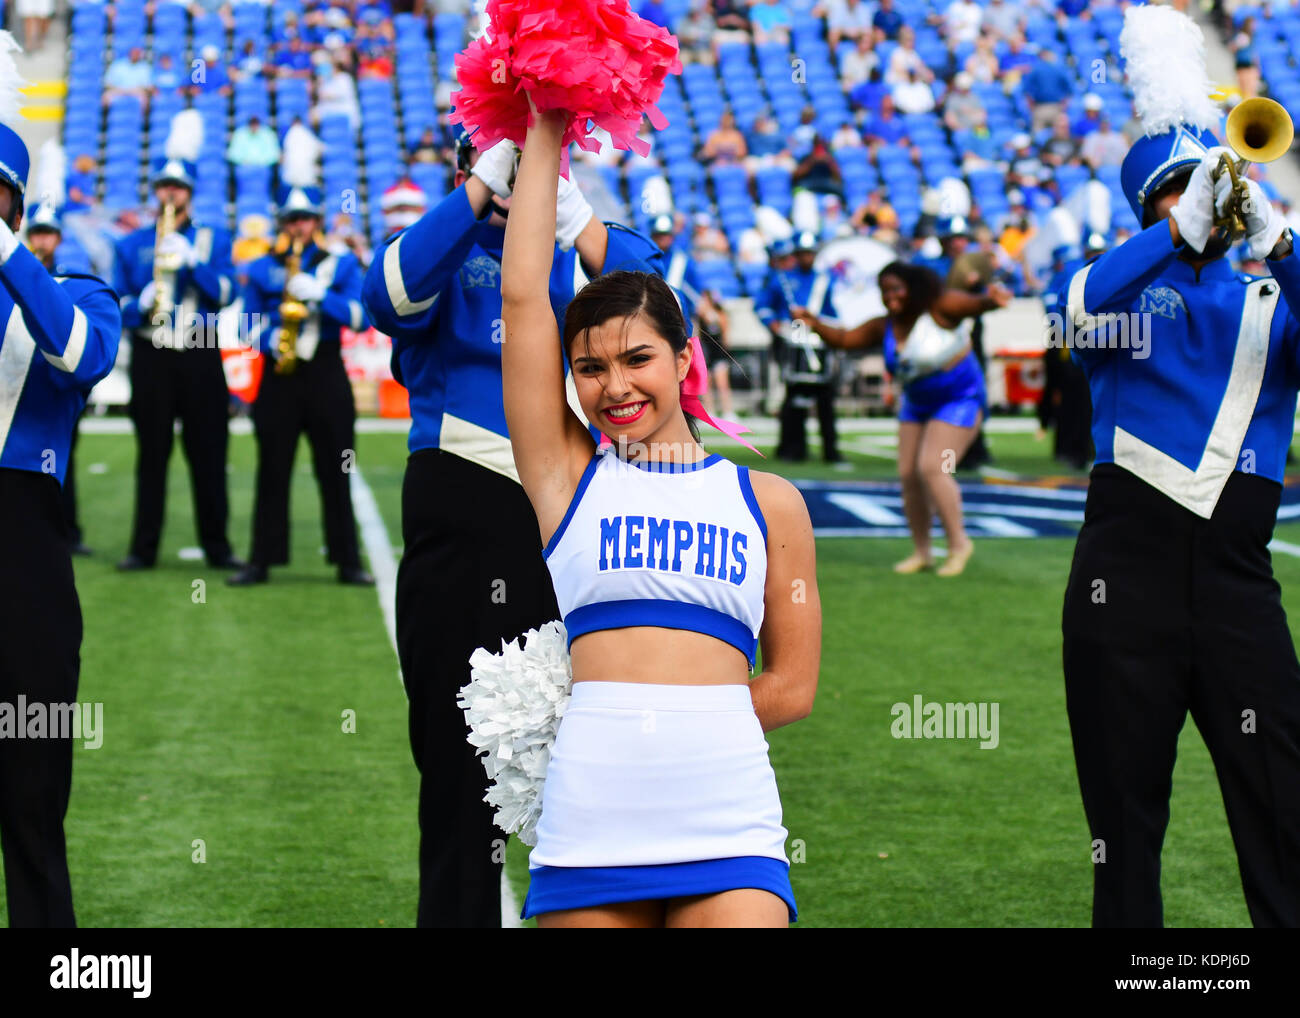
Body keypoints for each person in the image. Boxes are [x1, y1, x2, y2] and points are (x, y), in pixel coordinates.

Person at [500, 96, 820, 928]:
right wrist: (542, 124)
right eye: (590, 369)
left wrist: (678, 720)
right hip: (592, 818)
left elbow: (791, 686)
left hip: (728, 812)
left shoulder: (768, 501)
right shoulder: (568, 478)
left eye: (638, 358)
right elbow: (524, 302)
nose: (615, 387)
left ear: (684, 358)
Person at [360, 128, 667, 928]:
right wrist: (478, 187)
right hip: (460, 510)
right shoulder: (444, 246)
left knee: (592, 754)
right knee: (460, 762)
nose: (511, 183)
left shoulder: (578, 253)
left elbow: (665, 306)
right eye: (498, 165)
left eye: (526, 166)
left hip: (571, 521)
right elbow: (384, 295)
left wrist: (567, 207)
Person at [1061, 120, 1300, 927]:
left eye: (1213, 183)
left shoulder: (1274, 299)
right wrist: (1177, 231)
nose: (1210, 198)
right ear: (1150, 208)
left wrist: (1281, 240)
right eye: (1183, 185)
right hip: (1121, 583)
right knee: (1124, 823)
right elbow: (1076, 312)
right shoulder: (1119, 289)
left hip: (1237, 584)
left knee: (1283, 800)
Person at [0, 119, 121, 926]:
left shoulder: (74, 290)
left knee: (30, 785)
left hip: (22, 545)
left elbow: (83, 356)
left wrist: (8, 253)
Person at [797, 262, 1011, 575]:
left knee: (934, 468)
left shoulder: (939, 308)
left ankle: (958, 544)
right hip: (917, 402)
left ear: (913, 288)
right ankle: (923, 552)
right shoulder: (884, 326)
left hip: (959, 400)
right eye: (884, 292)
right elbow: (844, 339)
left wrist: (991, 299)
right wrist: (813, 323)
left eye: (896, 289)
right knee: (909, 475)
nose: (890, 297)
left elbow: (974, 305)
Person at [227, 184, 374, 587]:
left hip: (326, 370)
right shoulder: (262, 267)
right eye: (292, 219)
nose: (299, 225)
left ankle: (348, 561)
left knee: (336, 468)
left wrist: (322, 295)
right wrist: (268, 338)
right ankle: (261, 560)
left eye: (305, 218)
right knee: (272, 469)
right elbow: (245, 323)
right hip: (279, 376)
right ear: (283, 223)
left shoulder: (340, 264)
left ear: (317, 221)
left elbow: (361, 317)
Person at [114, 154, 244, 572]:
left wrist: (193, 262)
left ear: (190, 193)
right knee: (151, 454)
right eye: (165, 186)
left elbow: (225, 292)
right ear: (156, 192)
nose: (172, 193)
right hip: (151, 352)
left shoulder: (213, 239)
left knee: (208, 453)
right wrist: (140, 301)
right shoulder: (131, 244)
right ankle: (143, 548)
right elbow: (114, 303)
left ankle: (218, 547)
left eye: (180, 187)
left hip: (200, 348)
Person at [25, 202, 95, 556]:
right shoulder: (12, 275)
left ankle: (68, 532)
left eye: (48, 233)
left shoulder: (71, 280)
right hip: (20, 384)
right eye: (37, 232)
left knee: (60, 457)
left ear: (58, 237)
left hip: (57, 382)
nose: (42, 240)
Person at [755, 232, 845, 465]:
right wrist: (773, 323)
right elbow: (763, 306)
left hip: (817, 345)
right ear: (795, 255)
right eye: (802, 253)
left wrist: (814, 318)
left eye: (810, 253)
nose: (807, 257)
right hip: (791, 344)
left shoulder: (824, 280)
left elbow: (834, 315)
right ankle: (792, 448)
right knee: (793, 399)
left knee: (825, 400)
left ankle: (831, 450)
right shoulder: (781, 279)